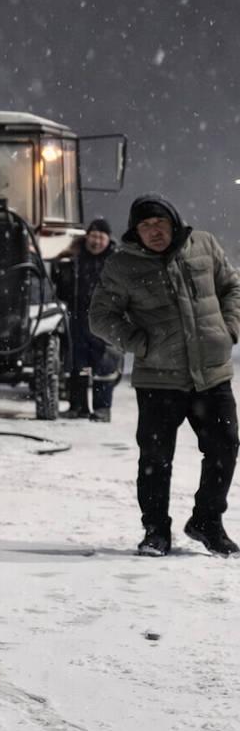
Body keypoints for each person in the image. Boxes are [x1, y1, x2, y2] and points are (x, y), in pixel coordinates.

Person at [89, 194, 240, 557]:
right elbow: (100, 317)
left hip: (211, 374)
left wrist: (229, 328)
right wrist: (140, 344)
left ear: (174, 222)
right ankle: (156, 530)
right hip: (159, 379)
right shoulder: (121, 266)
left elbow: (231, 286)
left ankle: (207, 521)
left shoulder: (203, 244)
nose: (154, 232)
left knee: (225, 447)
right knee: (156, 459)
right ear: (135, 231)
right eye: (145, 226)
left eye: (159, 224)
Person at [53, 218, 121, 421]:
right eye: (94, 236)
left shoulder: (118, 262)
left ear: (108, 240)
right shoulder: (73, 257)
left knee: (104, 367)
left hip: (106, 321)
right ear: (87, 237)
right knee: (79, 366)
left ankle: (102, 410)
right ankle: (78, 406)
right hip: (78, 319)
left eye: (101, 237)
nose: (97, 241)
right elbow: (61, 286)